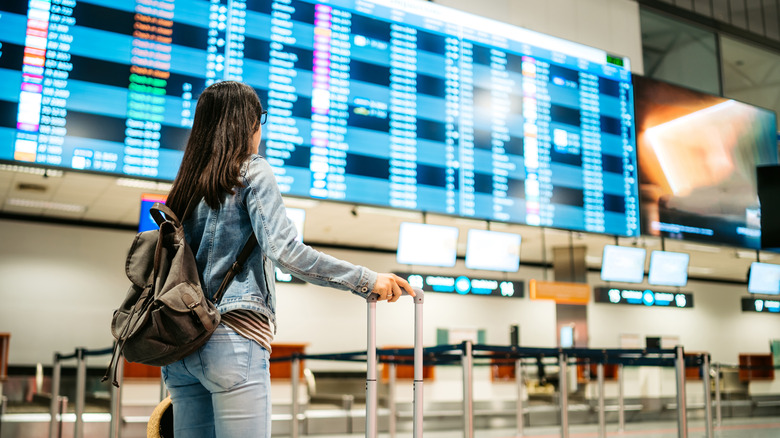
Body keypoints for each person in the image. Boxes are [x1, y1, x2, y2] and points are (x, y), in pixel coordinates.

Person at [162, 80, 415, 437]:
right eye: (259, 120)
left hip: (180, 348)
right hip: (233, 340)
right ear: (248, 123)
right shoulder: (250, 169)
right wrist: (367, 279)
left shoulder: (185, 185)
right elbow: (287, 252)